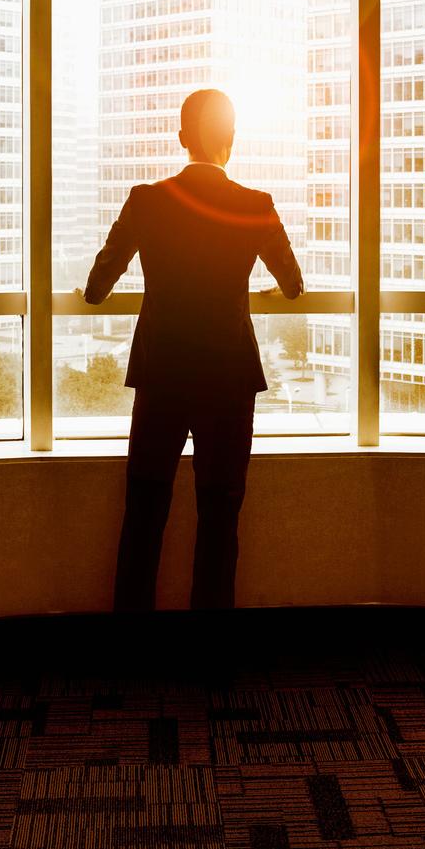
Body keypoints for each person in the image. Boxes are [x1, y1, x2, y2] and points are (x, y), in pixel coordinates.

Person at [84, 87, 304, 611]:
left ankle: (132, 641)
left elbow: (97, 287)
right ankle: (211, 651)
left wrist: (92, 292)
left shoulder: (147, 200)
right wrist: (270, 291)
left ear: (182, 138)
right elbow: (293, 284)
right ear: (232, 139)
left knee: (145, 508)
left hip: (163, 371)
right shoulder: (256, 205)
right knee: (220, 514)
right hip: (228, 376)